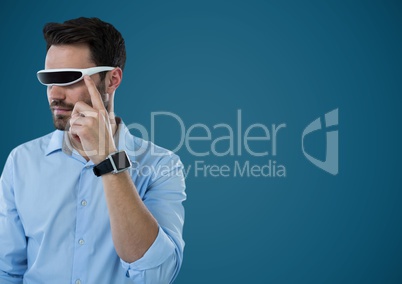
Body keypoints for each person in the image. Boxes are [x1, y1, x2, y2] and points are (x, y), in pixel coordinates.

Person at [0, 17, 186, 284]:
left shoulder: (161, 165)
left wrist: (109, 161)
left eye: (68, 79)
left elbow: (155, 276)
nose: (55, 94)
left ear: (112, 80)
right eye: (49, 79)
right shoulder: (21, 162)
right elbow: (6, 273)